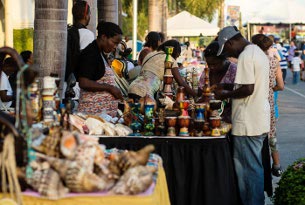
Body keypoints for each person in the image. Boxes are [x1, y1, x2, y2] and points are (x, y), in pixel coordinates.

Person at [214, 26, 270, 205]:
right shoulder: (256, 52)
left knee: (249, 173)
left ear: (231, 42)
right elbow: (247, 85)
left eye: (227, 50)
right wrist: (227, 88)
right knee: (253, 169)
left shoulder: (247, 55)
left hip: (248, 124)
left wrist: (225, 95)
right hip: (256, 120)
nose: (229, 55)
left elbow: (248, 89)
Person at [252, 34, 285, 177]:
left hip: (255, 101)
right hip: (269, 102)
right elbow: (281, 85)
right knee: (271, 134)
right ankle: (277, 165)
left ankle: (258, 165)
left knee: (256, 135)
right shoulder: (274, 62)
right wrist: (271, 89)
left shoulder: (252, 61)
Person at [76, 21, 123, 117]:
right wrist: (110, 88)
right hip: (91, 115)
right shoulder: (90, 53)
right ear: (104, 37)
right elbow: (83, 82)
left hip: (102, 116)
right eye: (114, 43)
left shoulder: (100, 53)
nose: (115, 47)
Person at [128, 40, 196, 101]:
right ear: (175, 52)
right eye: (177, 56)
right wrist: (196, 95)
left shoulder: (150, 55)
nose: (176, 58)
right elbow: (181, 83)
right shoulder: (170, 59)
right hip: (144, 93)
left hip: (131, 88)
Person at [65, 0, 95, 111]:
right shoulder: (87, 34)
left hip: (65, 85)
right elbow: (87, 62)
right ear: (86, 15)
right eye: (90, 14)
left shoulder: (67, 31)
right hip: (77, 88)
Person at [198, 41, 237, 123]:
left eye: (215, 64)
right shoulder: (207, 72)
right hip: (209, 117)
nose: (211, 67)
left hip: (231, 118)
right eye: (209, 64)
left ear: (224, 59)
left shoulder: (234, 70)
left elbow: (239, 90)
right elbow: (200, 92)